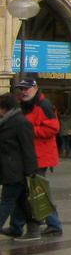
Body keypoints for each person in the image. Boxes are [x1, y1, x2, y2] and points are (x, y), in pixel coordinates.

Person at [10, 80, 61, 236]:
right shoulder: (24, 105)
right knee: (24, 191)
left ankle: (54, 224)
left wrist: (29, 130)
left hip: (40, 156)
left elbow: (53, 128)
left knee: (37, 191)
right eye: (21, 89)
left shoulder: (44, 105)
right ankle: (16, 226)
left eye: (27, 88)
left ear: (35, 88)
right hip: (29, 155)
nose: (24, 92)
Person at [0, 93, 37, 241]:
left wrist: (31, 170)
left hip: (16, 169)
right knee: (22, 200)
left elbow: (28, 147)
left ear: (4, 108)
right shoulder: (6, 122)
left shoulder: (20, 122)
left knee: (7, 200)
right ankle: (33, 227)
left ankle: (32, 228)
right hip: (10, 168)